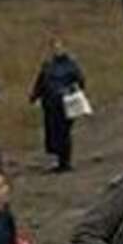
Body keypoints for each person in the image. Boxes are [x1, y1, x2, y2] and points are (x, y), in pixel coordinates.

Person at [29, 36, 87, 173]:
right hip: (50, 104)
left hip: (66, 104)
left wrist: (72, 91)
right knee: (52, 133)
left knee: (64, 133)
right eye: (55, 48)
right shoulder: (48, 66)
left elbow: (80, 81)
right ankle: (57, 160)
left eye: (60, 47)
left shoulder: (71, 65)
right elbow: (41, 82)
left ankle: (65, 161)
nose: (57, 50)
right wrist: (35, 95)